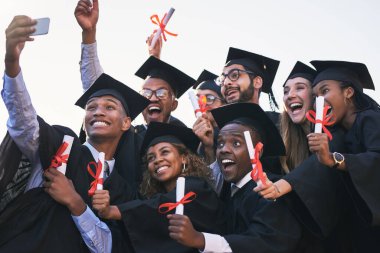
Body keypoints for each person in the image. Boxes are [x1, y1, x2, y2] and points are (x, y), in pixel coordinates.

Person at [0, 15, 149, 253]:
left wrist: (76, 203)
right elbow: (24, 122)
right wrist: (12, 64)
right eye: (91, 107)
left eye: (109, 107)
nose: (98, 111)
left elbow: (109, 247)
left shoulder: (124, 189)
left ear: (126, 123)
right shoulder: (62, 148)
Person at [167, 103, 324, 253]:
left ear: (258, 151)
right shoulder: (228, 192)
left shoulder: (271, 190)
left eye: (236, 143)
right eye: (220, 144)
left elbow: (266, 243)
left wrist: (201, 239)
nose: (223, 150)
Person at [92, 122, 226, 253]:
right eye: (151, 158)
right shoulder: (155, 200)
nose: (157, 160)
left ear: (184, 158)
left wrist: (112, 211)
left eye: (165, 152)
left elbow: (160, 205)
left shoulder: (197, 187)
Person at [74, 0, 194, 140]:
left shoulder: (182, 140)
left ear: (174, 104)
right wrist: (89, 33)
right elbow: (96, 89)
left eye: (161, 93)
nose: (153, 98)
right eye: (146, 93)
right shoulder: (127, 138)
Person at [192, 69, 225, 163]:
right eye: (198, 99)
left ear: (224, 103)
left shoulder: (232, 134)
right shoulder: (192, 137)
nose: (203, 104)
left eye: (209, 98)